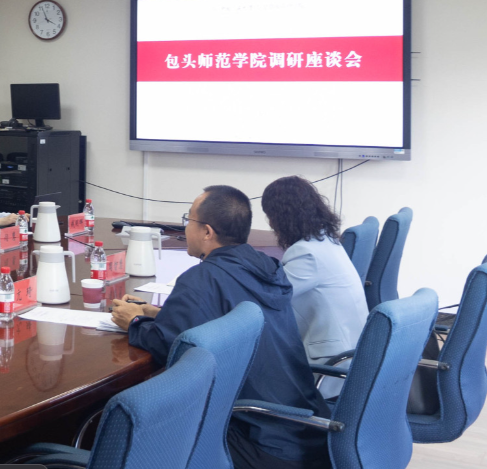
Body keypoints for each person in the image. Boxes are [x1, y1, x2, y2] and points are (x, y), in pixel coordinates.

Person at [110, 185, 331, 469]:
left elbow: (170, 347)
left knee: (148, 437)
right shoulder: (267, 268)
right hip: (306, 428)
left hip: (261, 440)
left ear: (207, 232)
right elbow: (224, 315)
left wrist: (134, 321)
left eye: (188, 219)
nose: (185, 227)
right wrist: (159, 313)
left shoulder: (202, 278)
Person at [261, 175, 368, 395]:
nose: (270, 224)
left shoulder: (306, 253)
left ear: (281, 217)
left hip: (332, 369)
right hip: (354, 354)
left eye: (270, 216)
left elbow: (270, 298)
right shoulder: (327, 241)